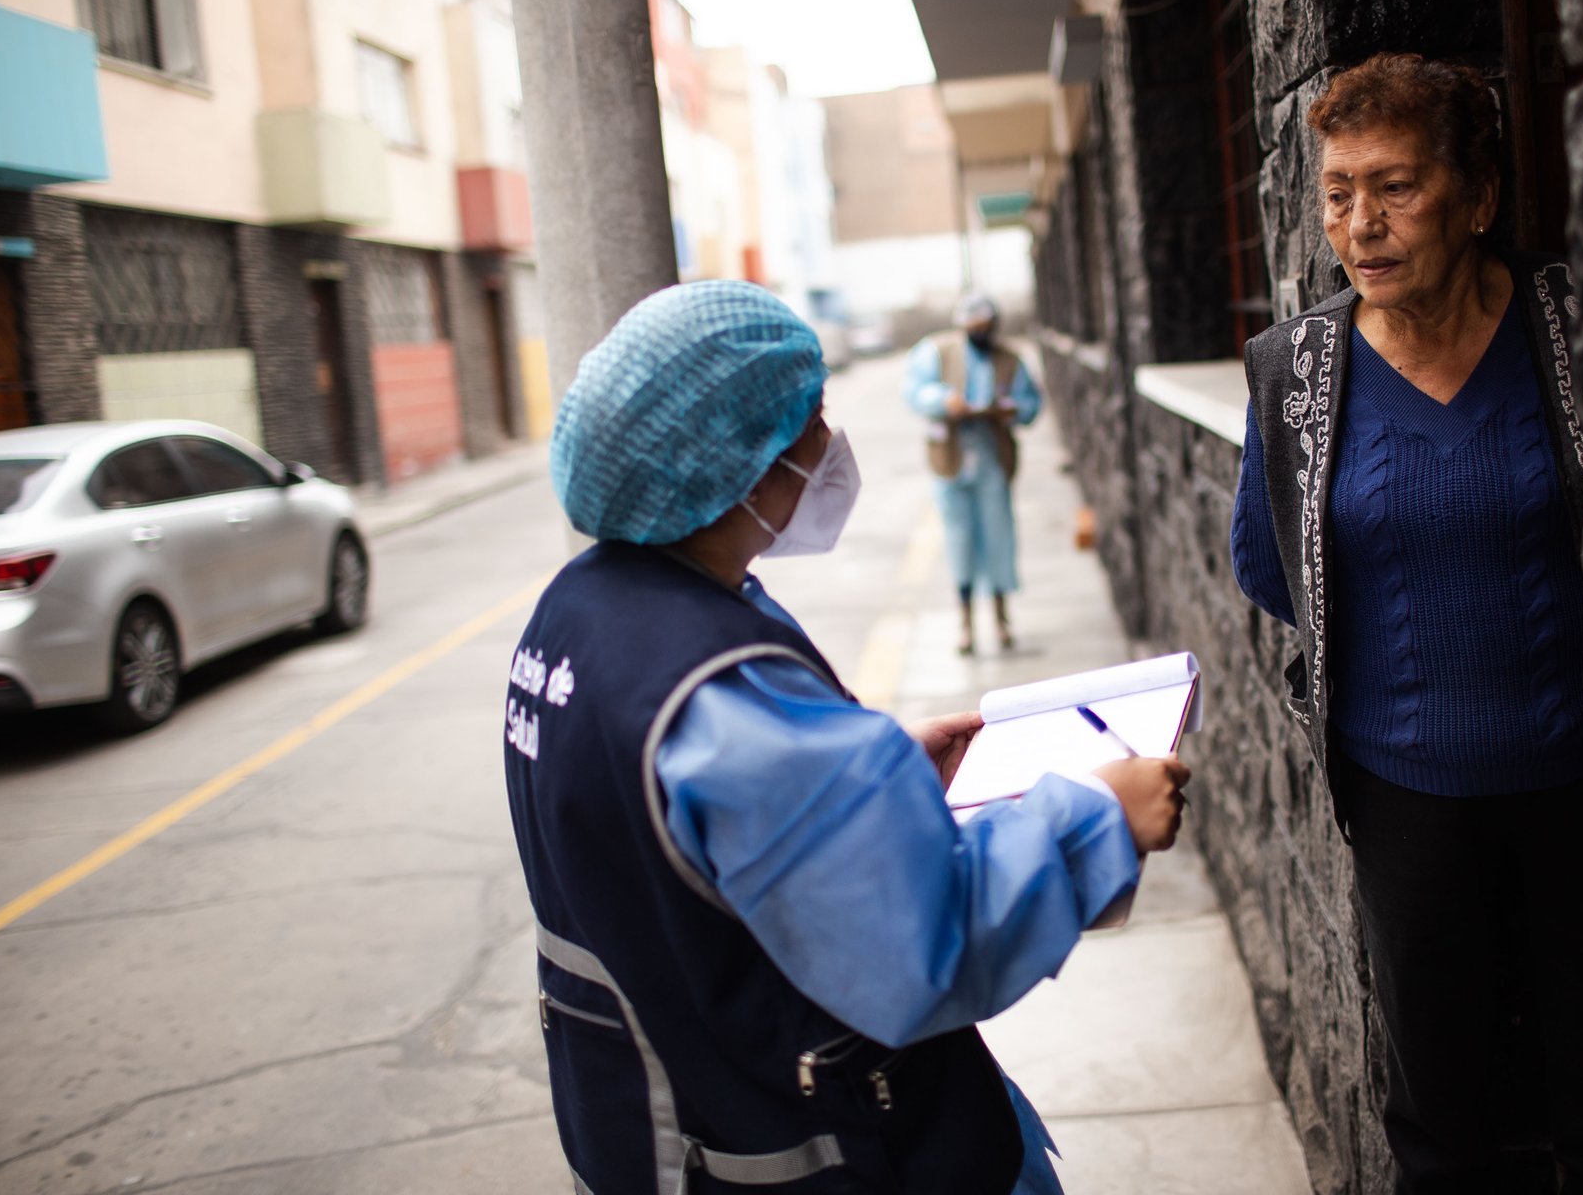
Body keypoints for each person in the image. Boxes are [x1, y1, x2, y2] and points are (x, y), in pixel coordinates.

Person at [505, 280, 1189, 1195]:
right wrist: (1101, 815)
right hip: (825, 1148)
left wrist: (879, 783)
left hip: (659, 1119)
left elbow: (692, 843)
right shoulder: (720, 694)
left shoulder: (581, 609)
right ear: (741, 465)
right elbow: (926, 948)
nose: (828, 442)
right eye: (810, 419)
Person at [1229, 54, 1583, 1193]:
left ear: (1479, 196)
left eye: (1395, 186)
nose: (1362, 222)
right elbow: (1267, 565)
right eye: (1340, 190)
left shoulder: (1568, 327)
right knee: (1439, 1112)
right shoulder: (1295, 370)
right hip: (1405, 794)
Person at [903, 294, 1042, 654]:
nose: (980, 333)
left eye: (986, 327)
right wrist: (943, 400)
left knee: (999, 538)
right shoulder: (936, 352)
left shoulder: (1010, 361)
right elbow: (915, 391)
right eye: (973, 328)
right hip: (950, 461)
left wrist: (1011, 409)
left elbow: (1031, 404)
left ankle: (1001, 619)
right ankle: (965, 622)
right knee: (958, 540)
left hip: (993, 460)